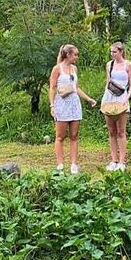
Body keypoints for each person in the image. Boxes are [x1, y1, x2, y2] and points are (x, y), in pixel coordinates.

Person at [48, 44, 97, 174]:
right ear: (68, 54)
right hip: (62, 104)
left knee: (74, 135)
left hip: (74, 103)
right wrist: (52, 105)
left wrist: (88, 99)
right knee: (60, 136)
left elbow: (76, 87)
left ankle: (74, 164)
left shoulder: (74, 69)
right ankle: (60, 164)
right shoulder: (57, 69)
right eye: (75, 54)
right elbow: (52, 88)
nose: (77, 57)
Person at [101, 42, 131, 171]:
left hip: (122, 97)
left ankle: (122, 161)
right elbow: (108, 82)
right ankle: (114, 159)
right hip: (110, 97)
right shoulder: (109, 65)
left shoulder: (128, 65)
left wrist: (127, 98)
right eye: (111, 52)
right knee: (111, 131)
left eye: (114, 52)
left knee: (121, 131)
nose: (112, 54)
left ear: (121, 52)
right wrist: (104, 100)